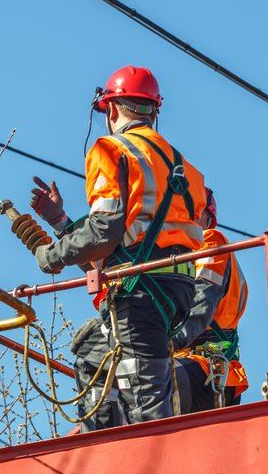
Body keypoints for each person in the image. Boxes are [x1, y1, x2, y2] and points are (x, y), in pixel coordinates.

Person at [29, 65, 206, 431]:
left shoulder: (110, 150)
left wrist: (52, 256)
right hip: (176, 290)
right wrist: (61, 223)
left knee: (144, 398)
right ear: (154, 111)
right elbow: (127, 242)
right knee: (91, 356)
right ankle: (104, 444)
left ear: (110, 109)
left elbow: (105, 231)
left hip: (142, 291)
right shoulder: (183, 167)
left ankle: (153, 466)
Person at [172, 187, 249, 413]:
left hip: (208, 372)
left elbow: (199, 308)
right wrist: (61, 223)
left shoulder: (210, 242)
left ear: (207, 216)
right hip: (183, 363)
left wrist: (159, 344)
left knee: (153, 382)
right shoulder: (172, 256)